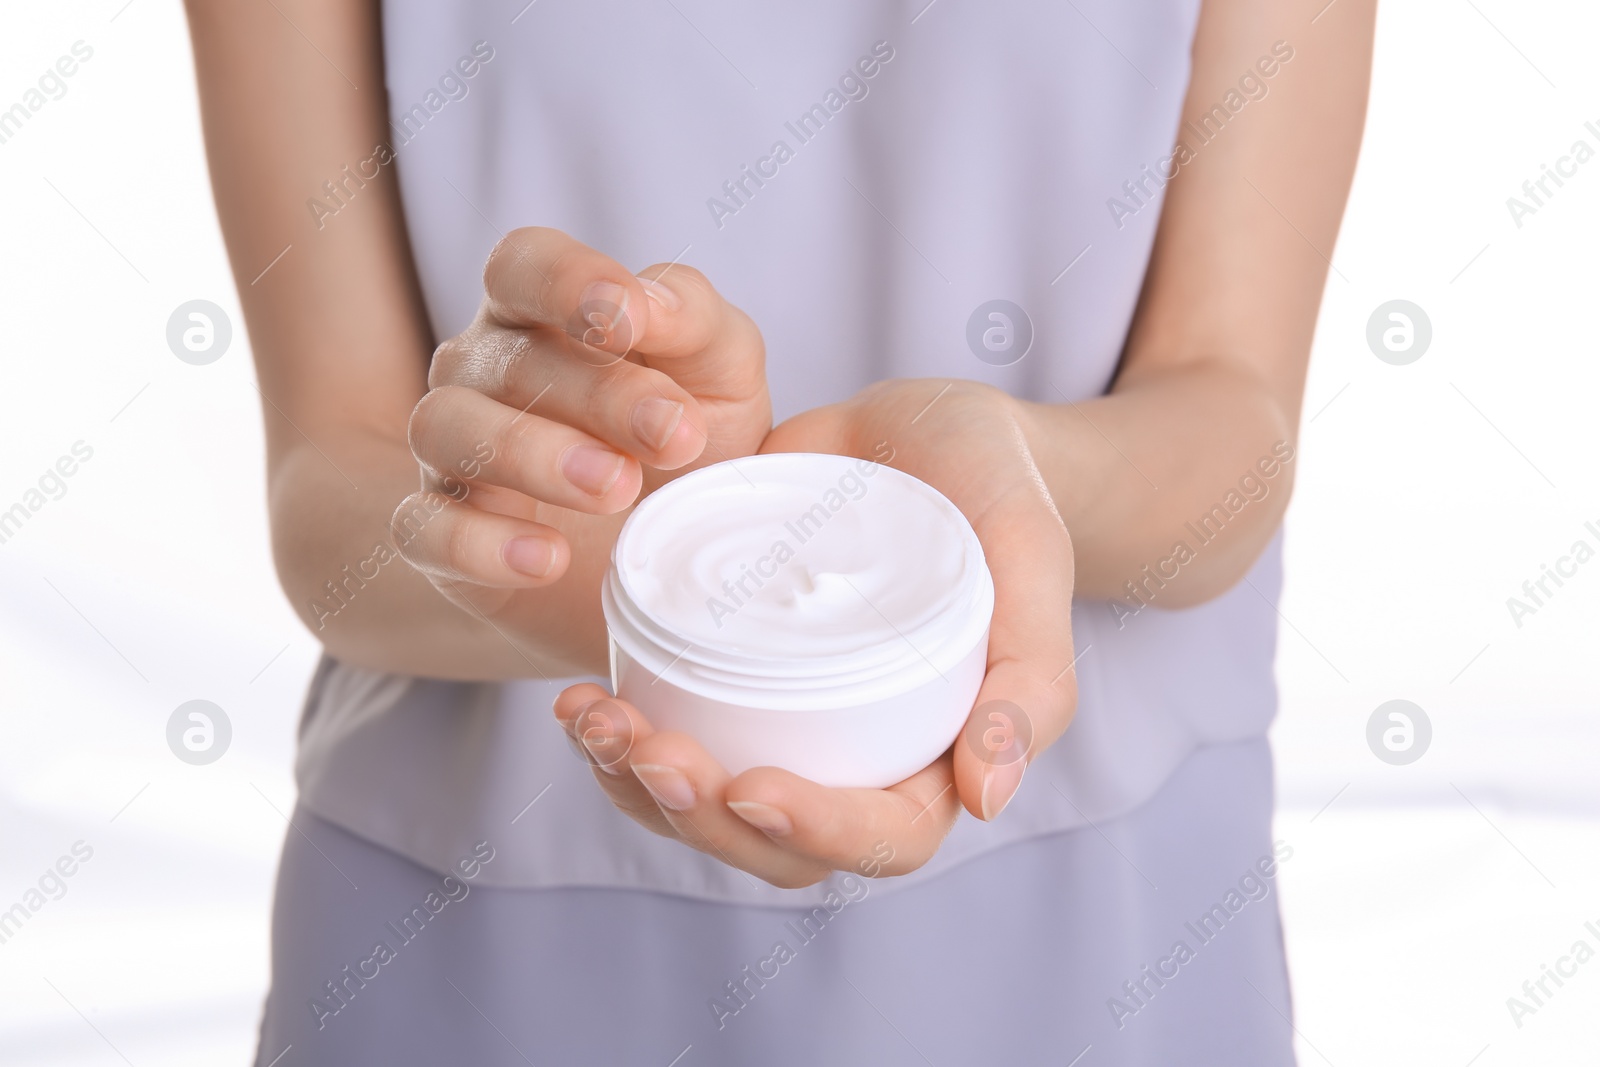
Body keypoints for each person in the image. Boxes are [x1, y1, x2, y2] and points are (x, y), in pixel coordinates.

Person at [183, 0, 1373, 1062]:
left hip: (1098, 923)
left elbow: (1235, 414)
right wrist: (620, 567)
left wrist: (1014, 483)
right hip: (475, 926)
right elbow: (325, 492)